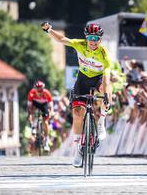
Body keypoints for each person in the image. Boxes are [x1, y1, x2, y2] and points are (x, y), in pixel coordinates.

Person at [41, 21, 112, 167]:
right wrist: (49, 30)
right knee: (77, 114)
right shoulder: (80, 44)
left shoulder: (104, 53)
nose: (93, 41)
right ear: (86, 38)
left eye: (96, 38)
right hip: (83, 79)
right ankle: (78, 150)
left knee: (106, 93)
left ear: (100, 39)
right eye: (90, 38)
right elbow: (62, 39)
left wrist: (106, 97)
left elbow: (107, 79)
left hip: (98, 79)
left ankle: (101, 122)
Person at [27, 80, 53, 152]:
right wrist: (29, 115)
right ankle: (33, 126)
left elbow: (51, 106)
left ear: (43, 89)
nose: (40, 93)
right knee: (32, 111)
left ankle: (46, 141)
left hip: (44, 104)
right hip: (35, 103)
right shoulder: (31, 93)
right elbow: (29, 106)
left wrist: (50, 113)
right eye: (38, 91)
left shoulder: (47, 93)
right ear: (35, 89)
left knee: (45, 121)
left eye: (41, 91)